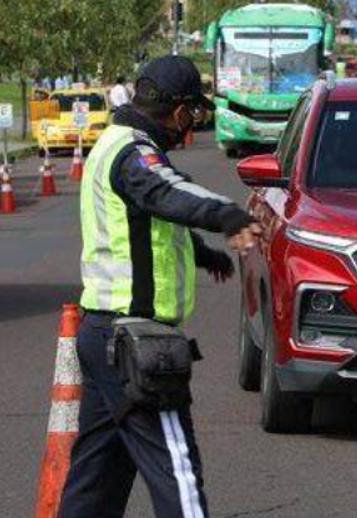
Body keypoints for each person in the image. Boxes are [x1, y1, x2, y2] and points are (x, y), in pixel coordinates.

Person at [58, 56, 262, 518]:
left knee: (96, 480)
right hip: (135, 344)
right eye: (193, 112)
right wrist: (228, 215)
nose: (192, 124)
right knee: (178, 473)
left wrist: (200, 252)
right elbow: (165, 190)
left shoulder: (111, 144)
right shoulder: (135, 151)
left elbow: (145, 218)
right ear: (178, 110)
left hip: (101, 334)